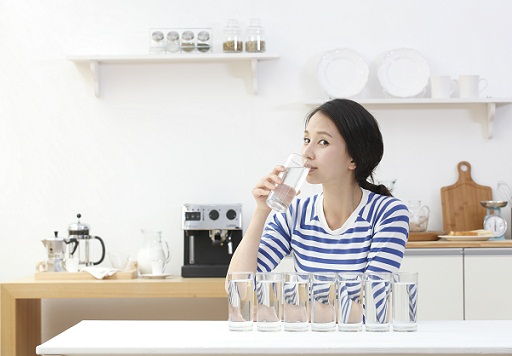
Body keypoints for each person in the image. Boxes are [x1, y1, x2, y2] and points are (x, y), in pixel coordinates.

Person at [227, 98, 409, 278]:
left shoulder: (388, 213)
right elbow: (239, 289)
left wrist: (296, 308)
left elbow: (372, 301)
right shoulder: (295, 213)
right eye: (306, 139)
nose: (306, 153)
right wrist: (261, 211)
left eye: (323, 142)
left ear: (353, 159)